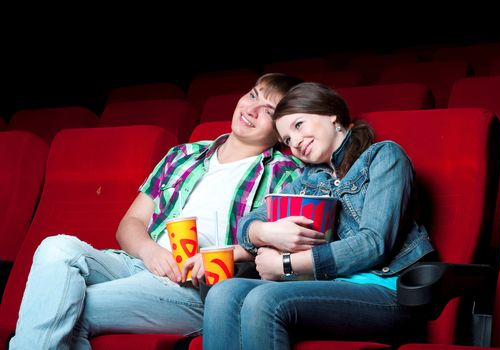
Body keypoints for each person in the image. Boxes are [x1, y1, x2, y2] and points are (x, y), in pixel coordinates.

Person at [9, 73, 304, 349]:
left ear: (283, 131)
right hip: (141, 264)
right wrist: (150, 252)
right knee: (56, 247)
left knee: (65, 303)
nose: (251, 109)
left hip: (199, 291)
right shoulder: (181, 155)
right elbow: (130, 223)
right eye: (252, 95)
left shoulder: (286, 174)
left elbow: (287, 249)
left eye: (268, 109)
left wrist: (226, 254)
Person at [202, 82, 435, 349]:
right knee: (222, 293)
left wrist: (286, 264)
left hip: (389, 290)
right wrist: (263, 232)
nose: (296, 143)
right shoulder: (308, 179)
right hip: (331, 288)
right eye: (287, 140)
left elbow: (373, 244)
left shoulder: (384, 156)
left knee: (263, 299)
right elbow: (249, 223)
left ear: (330, 114)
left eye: (299, 125)